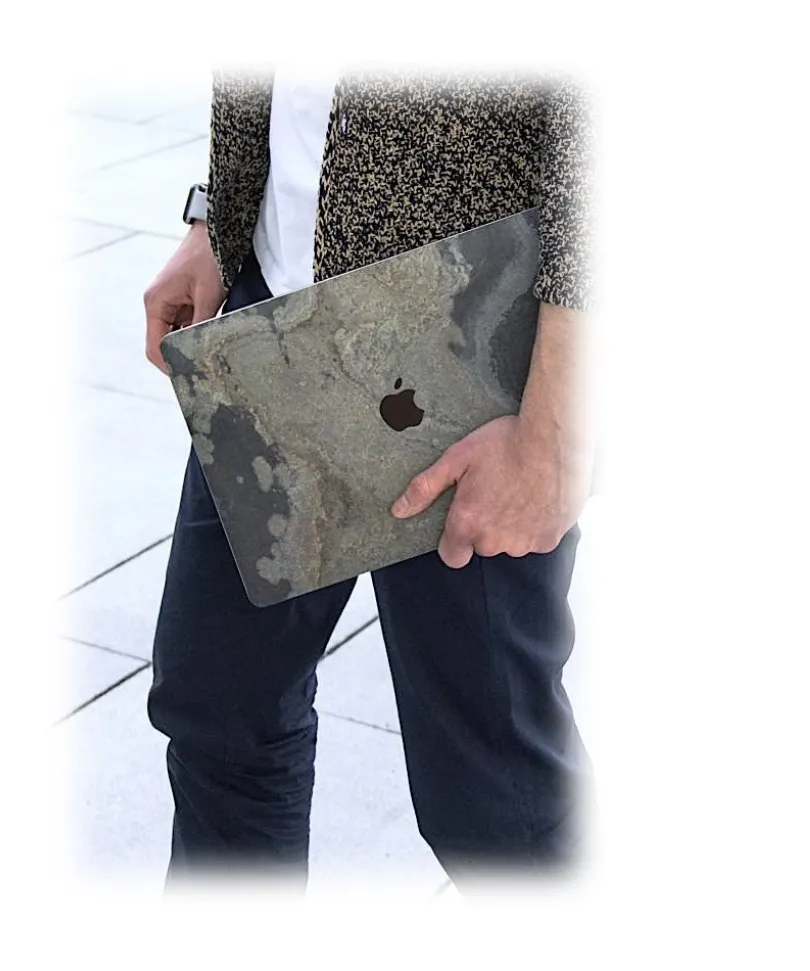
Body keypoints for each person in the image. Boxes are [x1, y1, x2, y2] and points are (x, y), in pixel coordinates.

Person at [142, 66, 595, 890]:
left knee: (497, 804)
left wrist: (557, 425)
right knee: (217, 705)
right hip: (276, 319)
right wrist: (221, 213)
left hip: (466, 335)